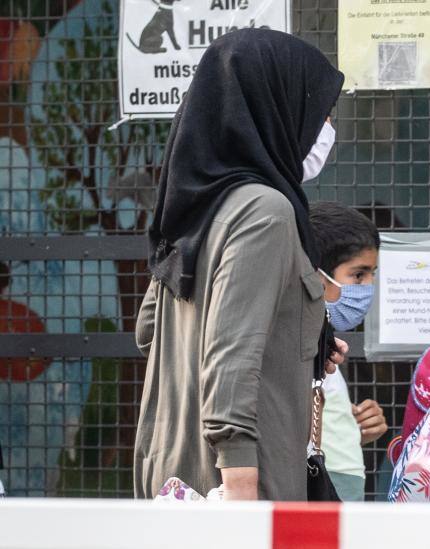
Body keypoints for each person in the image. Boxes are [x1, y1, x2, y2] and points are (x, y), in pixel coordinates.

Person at [133, 29, 346, 501]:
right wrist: (242, 493)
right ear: (277, 107)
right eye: (320, 110)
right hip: (240, 483)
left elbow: (150, 331)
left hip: (173, 473)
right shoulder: (264, 212)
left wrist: (299, 344)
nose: (326, 125)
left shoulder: (196, 207)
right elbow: (232, 358)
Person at [309, 201, 388, 501]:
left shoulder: (323, 338)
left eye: (371, 275)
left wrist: (355, 432)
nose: (368, 286)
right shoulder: (301, 341)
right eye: (358, 275)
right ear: (317, 274)